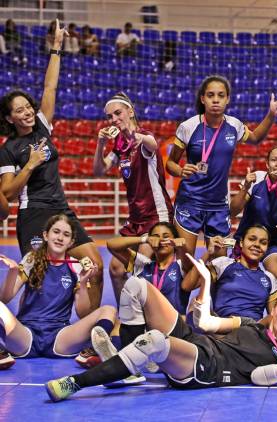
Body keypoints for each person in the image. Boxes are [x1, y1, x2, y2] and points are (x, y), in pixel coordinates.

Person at [45, 254, 277, 402]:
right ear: (274, 307)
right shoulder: (250, 324)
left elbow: (258, 377)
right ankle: (134, 370)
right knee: (136, 286)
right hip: (195, 341)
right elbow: (204, 324)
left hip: (205, 366)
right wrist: (205, 283)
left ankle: (75, 384)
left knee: (155, 341)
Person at [0, 19, 104, 308]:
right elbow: (7, 194)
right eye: (19, 110)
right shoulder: (8, 150)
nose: (27, 112)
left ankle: (91, 332)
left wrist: (56, 48)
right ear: (9, 118)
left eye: (28, 107)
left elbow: (49, 87)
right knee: (37, 277)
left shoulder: (42, 128)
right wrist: (30, 164)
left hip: (61, 209)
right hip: (32, 214)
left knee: (94, 265)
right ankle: (22, 328)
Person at [165, 75, 277, 272]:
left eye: (221, 96)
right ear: (203, 99)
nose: (216, 100)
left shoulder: (234, 125)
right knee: (185, 264)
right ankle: (180, 304)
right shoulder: (188, 127)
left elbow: (256, 137)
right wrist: (180, 170)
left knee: (219, 264)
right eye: (211, 95)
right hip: (189, 202)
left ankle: (217, 304)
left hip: (218, 207)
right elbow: (170, 163)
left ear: (228, 99)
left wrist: (271, 114)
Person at [0, 214, 117, 370]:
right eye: (56, 232)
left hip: (59, 337)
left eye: (66, 234)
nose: (60, 237)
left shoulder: (76, 266)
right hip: (25, 335)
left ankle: (91, 351)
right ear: (45, 235)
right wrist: (13, 271)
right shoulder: (31, 259)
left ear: (71, 242)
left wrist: (82, 282)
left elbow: (83, 312)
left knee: (109, 310)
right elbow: (5, 298)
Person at [93, 92, 173, 302]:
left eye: (118, 113)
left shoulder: (144, 137)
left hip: (157, 216)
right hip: (136, 219)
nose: (114, 119)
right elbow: (99, 170)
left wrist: (137, 136)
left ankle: (152, 316)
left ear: (130, 111)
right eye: (110, 117)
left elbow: (152, 144)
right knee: (117, 269)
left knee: (142, 269)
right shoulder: (119, 145)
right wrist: (100, 144)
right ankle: (126, 317)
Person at [230, 145, 277, 288]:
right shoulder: (256, 178)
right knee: (235, 279)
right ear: (267, 164)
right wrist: (245, 187)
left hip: (274, 243)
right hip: (247, 240)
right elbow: (232, 211)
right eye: (273, 160)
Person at [182, 225, 277, 328]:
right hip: (221, 331)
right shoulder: (223, 264)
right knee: (195, 305)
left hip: (252, 332)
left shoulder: (269, 278)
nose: (257, 244)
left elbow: (274, 318)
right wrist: (208, 253)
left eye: (263, 242)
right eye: (252, 239)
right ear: (241, 242)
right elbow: (187, 286)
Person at [107, 222, 188, 315]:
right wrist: (144, 239)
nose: (161, 240)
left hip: (173, 326)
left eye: (166, 236)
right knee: (110, 313)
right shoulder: (142, 264)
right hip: (144, 325)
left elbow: (196, 267)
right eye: (156, 237)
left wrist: (183, 246)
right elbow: (111, 245)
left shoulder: (182, 265)